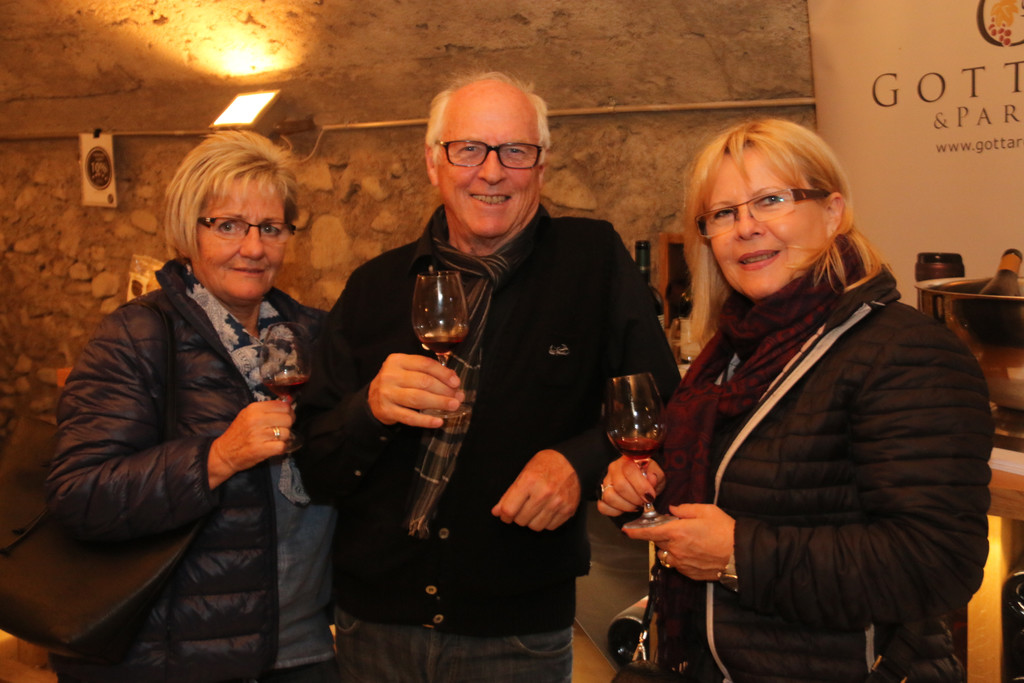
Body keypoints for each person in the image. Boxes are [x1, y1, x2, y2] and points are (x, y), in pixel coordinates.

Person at [295, 71, 679, 682]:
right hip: (375, 625)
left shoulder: (591, 261)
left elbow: (661, 402)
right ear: (433, 162)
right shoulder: (374, 287)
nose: (492, 172)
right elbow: (315, 464)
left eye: (515, 151)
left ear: (541, 164)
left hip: (517, 632)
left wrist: (575, 463)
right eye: (468, 149)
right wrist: (368, 408)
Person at [597, 118, 993, 683]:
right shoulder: (729, 355)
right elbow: (729, 493)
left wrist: (738, 555)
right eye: (723, 213)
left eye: (771, 200)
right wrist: (641, 490)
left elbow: (937, 564)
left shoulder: (905, 351)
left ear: (832, 213)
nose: (746, 228)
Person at [46, 131, 339, 682]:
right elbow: (79, 495)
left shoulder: (313, 336)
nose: (253, 248)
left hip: (302, 648)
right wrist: (217, 457)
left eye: (270, 228)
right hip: (181, 657)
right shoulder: (136, 337)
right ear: (188, 231)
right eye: (227, 225)